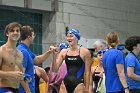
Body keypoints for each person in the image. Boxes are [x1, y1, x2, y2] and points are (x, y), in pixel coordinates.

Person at [52, 28, 92, 93]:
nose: (69, 38)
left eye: (71, 36)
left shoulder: (85, 52)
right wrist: (54, 56)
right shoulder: (63, 52)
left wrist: (87, 88)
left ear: (77, 38)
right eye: (67, 36)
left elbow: (88, 72)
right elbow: (54, 69)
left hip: (78, 84)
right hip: (65, 83)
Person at [17, 25, 55, 93]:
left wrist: (49, 52)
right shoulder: (23, 51)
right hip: (24, 90)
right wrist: (28, 90)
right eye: (33, 35)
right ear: (29, 37)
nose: (34, 37)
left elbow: (37, 60)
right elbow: (21, 74)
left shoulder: (25, 49)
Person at [0, 22, 30, 93]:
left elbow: (21, 76)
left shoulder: (20, 54)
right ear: (7, 34)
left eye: (17, 30)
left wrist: (28, 90)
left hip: (16, 89)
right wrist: (12, 74)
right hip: (3, 89)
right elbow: (14, 74)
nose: (15, 33)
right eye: (12, 31)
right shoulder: (1, 51)